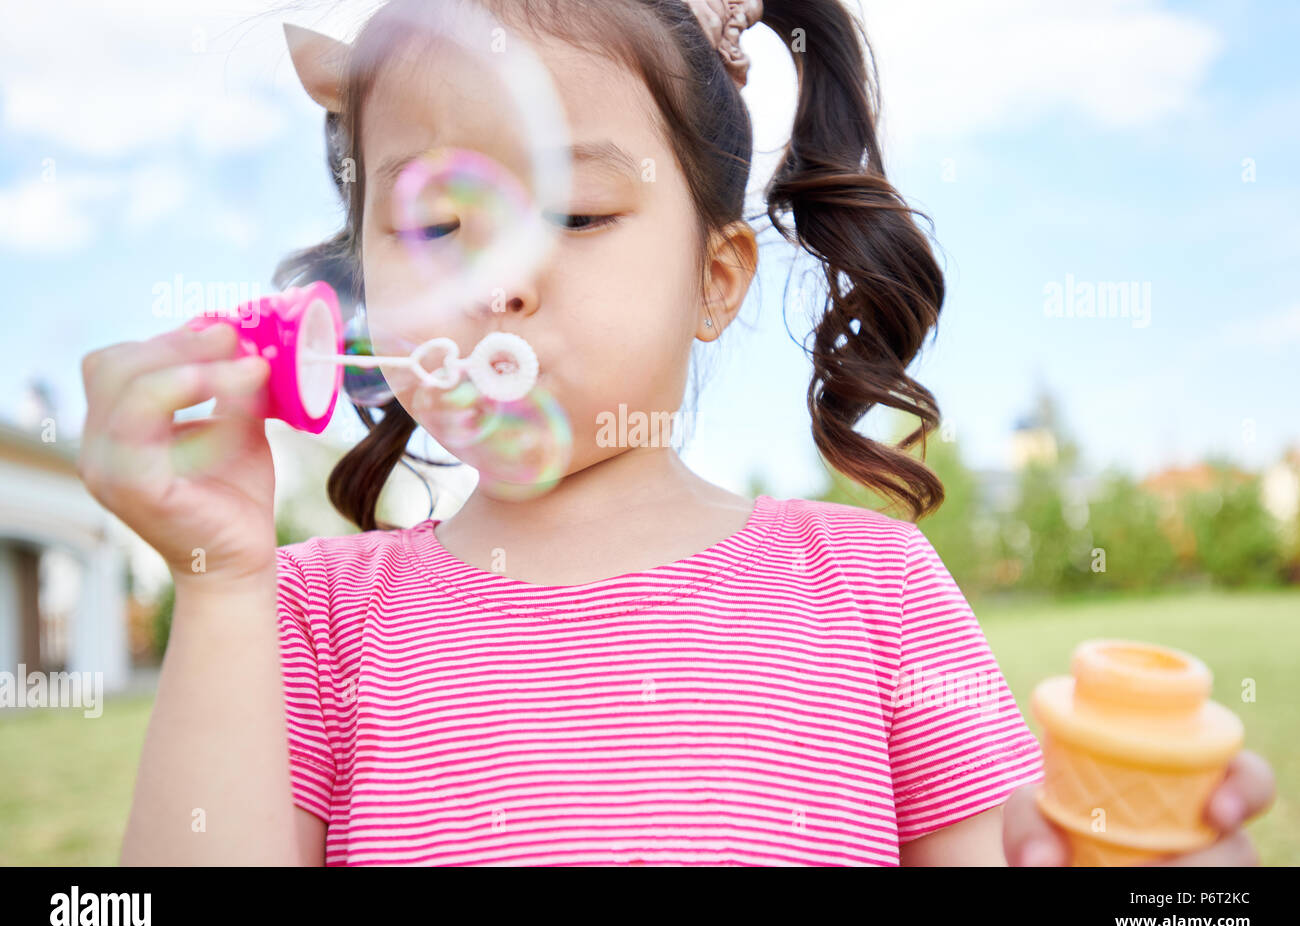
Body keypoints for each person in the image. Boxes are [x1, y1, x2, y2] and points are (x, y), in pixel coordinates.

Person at [78, 0, 1273, 865]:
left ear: (716, 276)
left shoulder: (870, 587)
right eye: (438, 224)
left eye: (580, 211)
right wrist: (218, 578)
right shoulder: (304, 616)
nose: (497, 282)